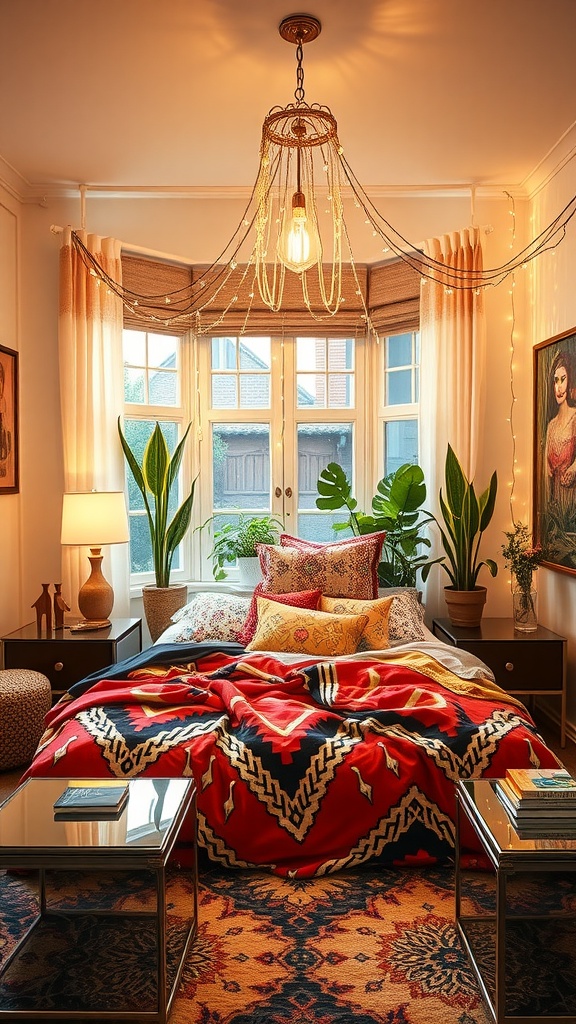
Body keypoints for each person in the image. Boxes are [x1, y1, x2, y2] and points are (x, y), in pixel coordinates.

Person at [545, 351, 576, 506]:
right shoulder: (551, 425)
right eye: (555, 380)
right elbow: (546, 470)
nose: (558, 387)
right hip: (554, 500)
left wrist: (573, 469)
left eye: (562, 380)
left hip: (571, 499)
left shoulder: (575, 418)